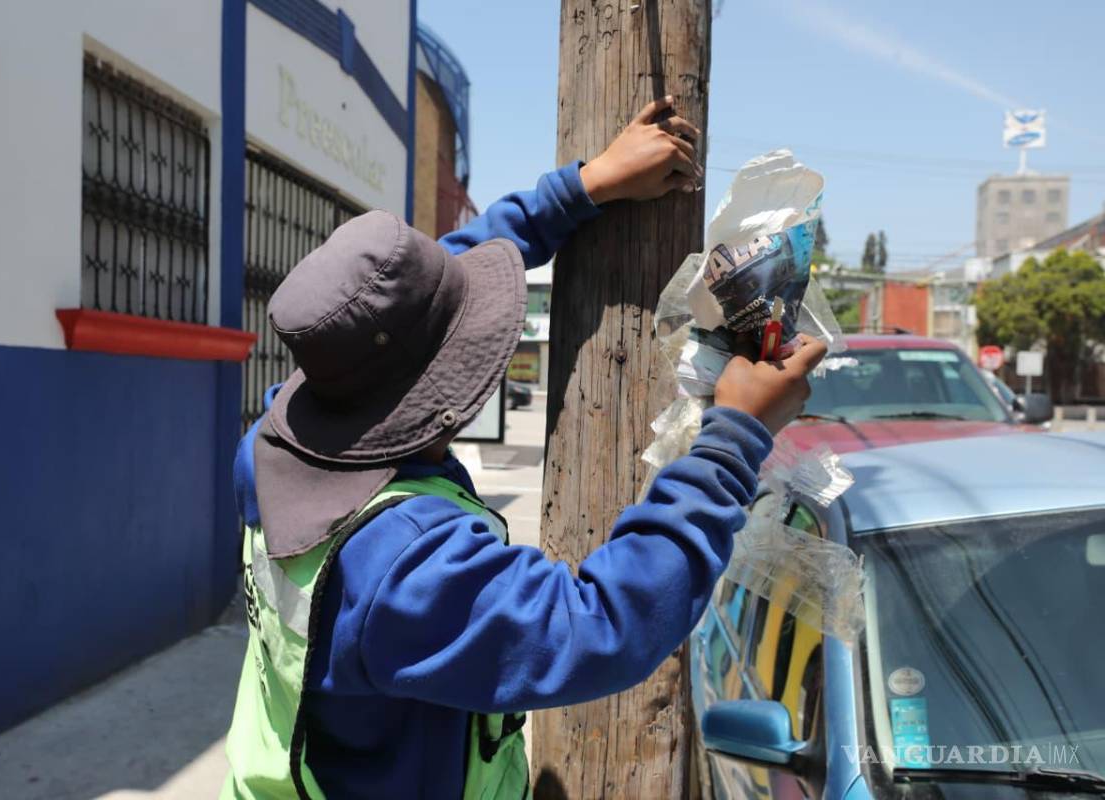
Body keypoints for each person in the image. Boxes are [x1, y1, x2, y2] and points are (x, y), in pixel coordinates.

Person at [221, 97, 826, 800]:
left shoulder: (286, 429)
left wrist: (585, 185)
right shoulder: (402, 565)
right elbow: (602, 627)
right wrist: (734, 438)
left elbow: (427, 279)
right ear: (421, 394)